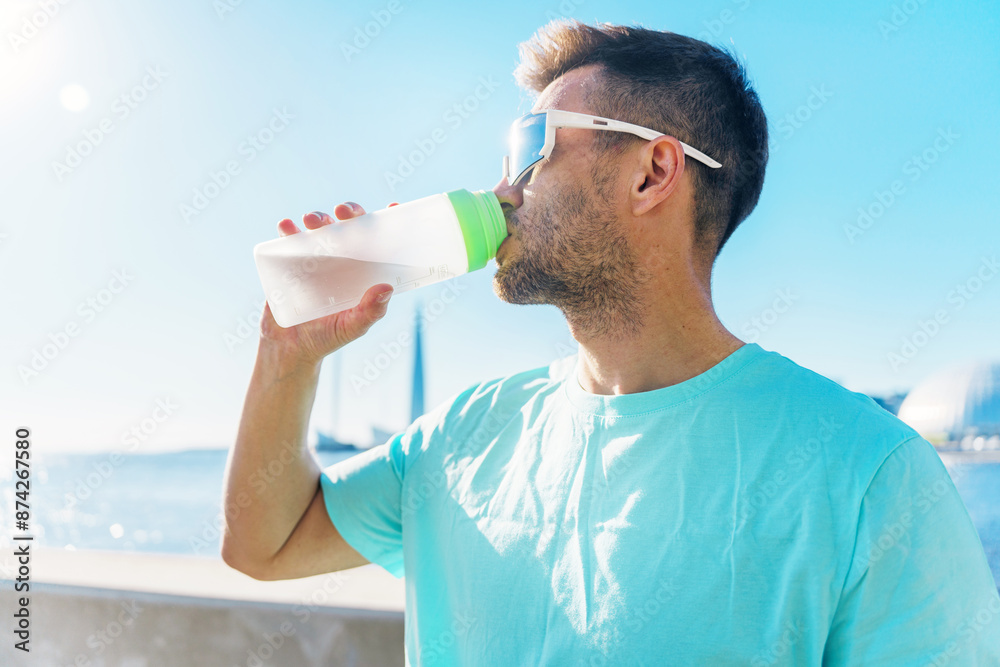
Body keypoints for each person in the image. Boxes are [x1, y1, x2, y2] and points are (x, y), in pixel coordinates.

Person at [221, 19, 1000, 666]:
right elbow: (263, 543)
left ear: (653, 171)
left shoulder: (870, 474)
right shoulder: (462, 436)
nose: (504, 187)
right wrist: (288, 359)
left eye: (535, 142)